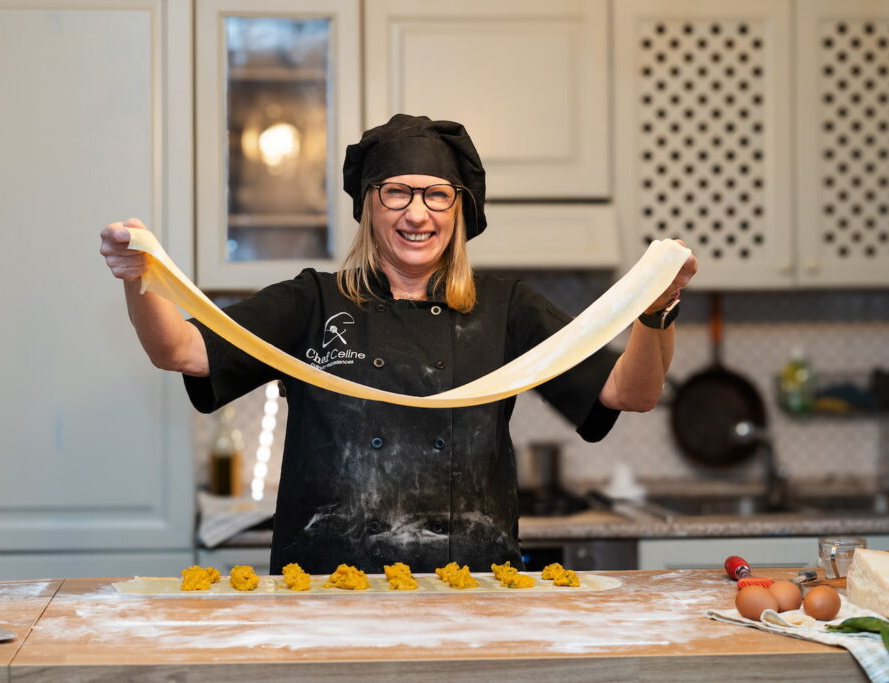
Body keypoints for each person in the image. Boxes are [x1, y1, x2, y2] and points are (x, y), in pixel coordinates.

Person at [100, 114, 697, 575]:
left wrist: (656, 312)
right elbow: (181, 350)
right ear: (368, 205)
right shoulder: (312, 302)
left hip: (472, 590)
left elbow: (630, 392)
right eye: (397, 193)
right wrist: (140, 277)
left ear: (459, 209)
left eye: (437, 194)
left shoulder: (506, 308)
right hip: (325, 591)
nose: (418, 214)